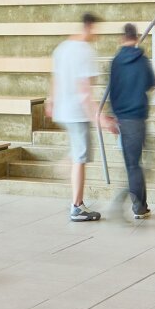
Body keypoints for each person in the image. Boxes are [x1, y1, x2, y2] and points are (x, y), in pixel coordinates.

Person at [50, 13, 103, 224]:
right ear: (90, 27)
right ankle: (77, 206)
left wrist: (51, 101)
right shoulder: (85, 51)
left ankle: (67, 166)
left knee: (76, 154)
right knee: (81, 158)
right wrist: (96, 114)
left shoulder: (62, 48)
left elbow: (55, 77)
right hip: (77, 111)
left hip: (63, 109)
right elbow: (84, 89)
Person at [102, 21, 155, 220]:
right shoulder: (143, 60)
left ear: (122, 38)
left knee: (132, 163)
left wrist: (111, 114)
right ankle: (140, 205)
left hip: (122, 117)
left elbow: (111, 89)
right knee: (136, 164)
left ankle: (139, 205)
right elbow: (150, 85)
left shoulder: (115, 61)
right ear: (137, 37)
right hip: (138, 116)